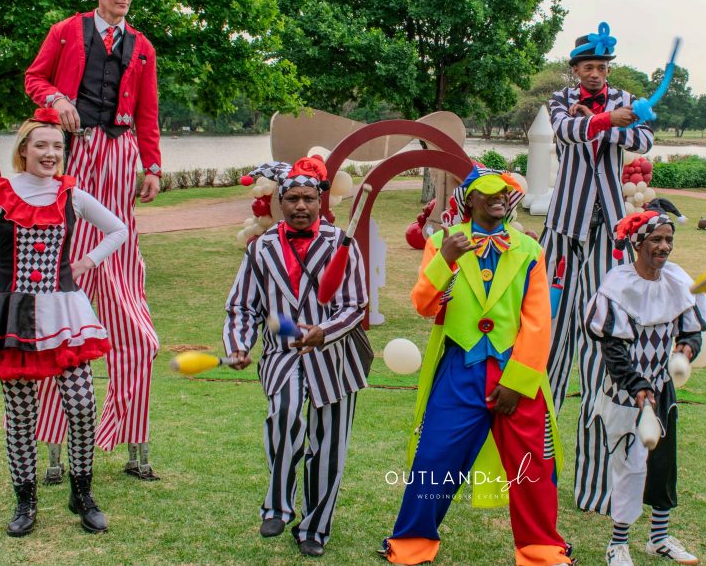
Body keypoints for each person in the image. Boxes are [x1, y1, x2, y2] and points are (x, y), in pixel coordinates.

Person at [381, 166, 572, 566]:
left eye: (504, 191)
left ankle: (540, 548)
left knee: (533, 465)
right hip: (459, 368)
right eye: (488, 192)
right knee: (434, 458)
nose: (499, 197)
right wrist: (445, 261)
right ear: (469, 199)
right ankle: (412, 542)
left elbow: (538, 323)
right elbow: (425, 306)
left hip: (516, 370)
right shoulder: (440, 243)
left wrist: (518, 382)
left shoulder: (528, 250)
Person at [0, 108, 127, 536]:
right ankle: (25, 499)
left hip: (65, 313)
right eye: (41, 145)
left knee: (82, 405)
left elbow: (117, 230)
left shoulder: (71, 195)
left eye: (58, 147)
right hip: (13, 317)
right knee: (21, 413)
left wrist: (85, 262)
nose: (51, 154)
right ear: (23, 150)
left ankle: (81, 491)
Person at [25, 0, 164, 481]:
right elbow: (34, 79)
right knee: (66, 272)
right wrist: (57, 97)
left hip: (121, 151)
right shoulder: (66, 32)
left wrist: (151, 165)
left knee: (123, 271)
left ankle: (130, 437)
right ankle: (54, 446)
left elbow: (148, 112)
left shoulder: (142, 46)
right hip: (74, 152)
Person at [223, 157, 372, 558]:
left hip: (335, 359)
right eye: (292, 198)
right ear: (280, 202)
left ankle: (314, 529)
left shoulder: (343, 244)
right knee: (285, 414)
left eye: (308, 198)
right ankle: (278, 505)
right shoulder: (261, 249)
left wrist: (325, 331)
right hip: (283, 354)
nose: (301, 206)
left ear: (321, 201)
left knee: (329, 446)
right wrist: (239, 344)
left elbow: (355, 304)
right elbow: (242, 307)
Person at [542, 21, 656, 513]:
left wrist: (633, 122)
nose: (594, 73)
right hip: (562, 233)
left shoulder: (625, 97)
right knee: (544, 350)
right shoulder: (559, 100)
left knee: (598, 357)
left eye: (601, 67)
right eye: (587, 66)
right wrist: (614, 121)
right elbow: (569, 131)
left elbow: (645, 143)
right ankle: (532, 475)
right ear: (575, 69)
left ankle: (593, 489)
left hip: (611, 233)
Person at [585, 209, 706, 566]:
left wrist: (687, 348)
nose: (664, 246)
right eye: (656, 239)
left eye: (669, 239)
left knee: (662, 465)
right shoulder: (617, 286)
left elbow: (692, 328)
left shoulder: (676, 281)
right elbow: (613, 348)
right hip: (627, 393)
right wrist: (637, 387)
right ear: (638, 243)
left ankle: (658, 538)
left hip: (663, 388)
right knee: (630, 466)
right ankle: (618, 544)